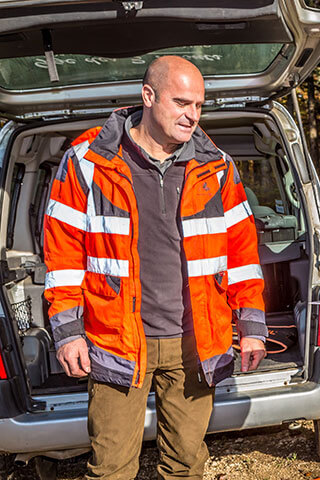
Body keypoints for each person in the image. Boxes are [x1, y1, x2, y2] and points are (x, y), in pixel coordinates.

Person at [44, 56, 267, 479]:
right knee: (111, 468)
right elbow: (63, 257)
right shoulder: (87, 162)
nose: (193, 116)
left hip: (194, 341)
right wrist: (68, 333)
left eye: (199, 105)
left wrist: (252, 325)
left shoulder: (217, 166)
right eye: (182, 102)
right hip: (116, 339)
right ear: (148, 96)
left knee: (186, 465)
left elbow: (241, 252)